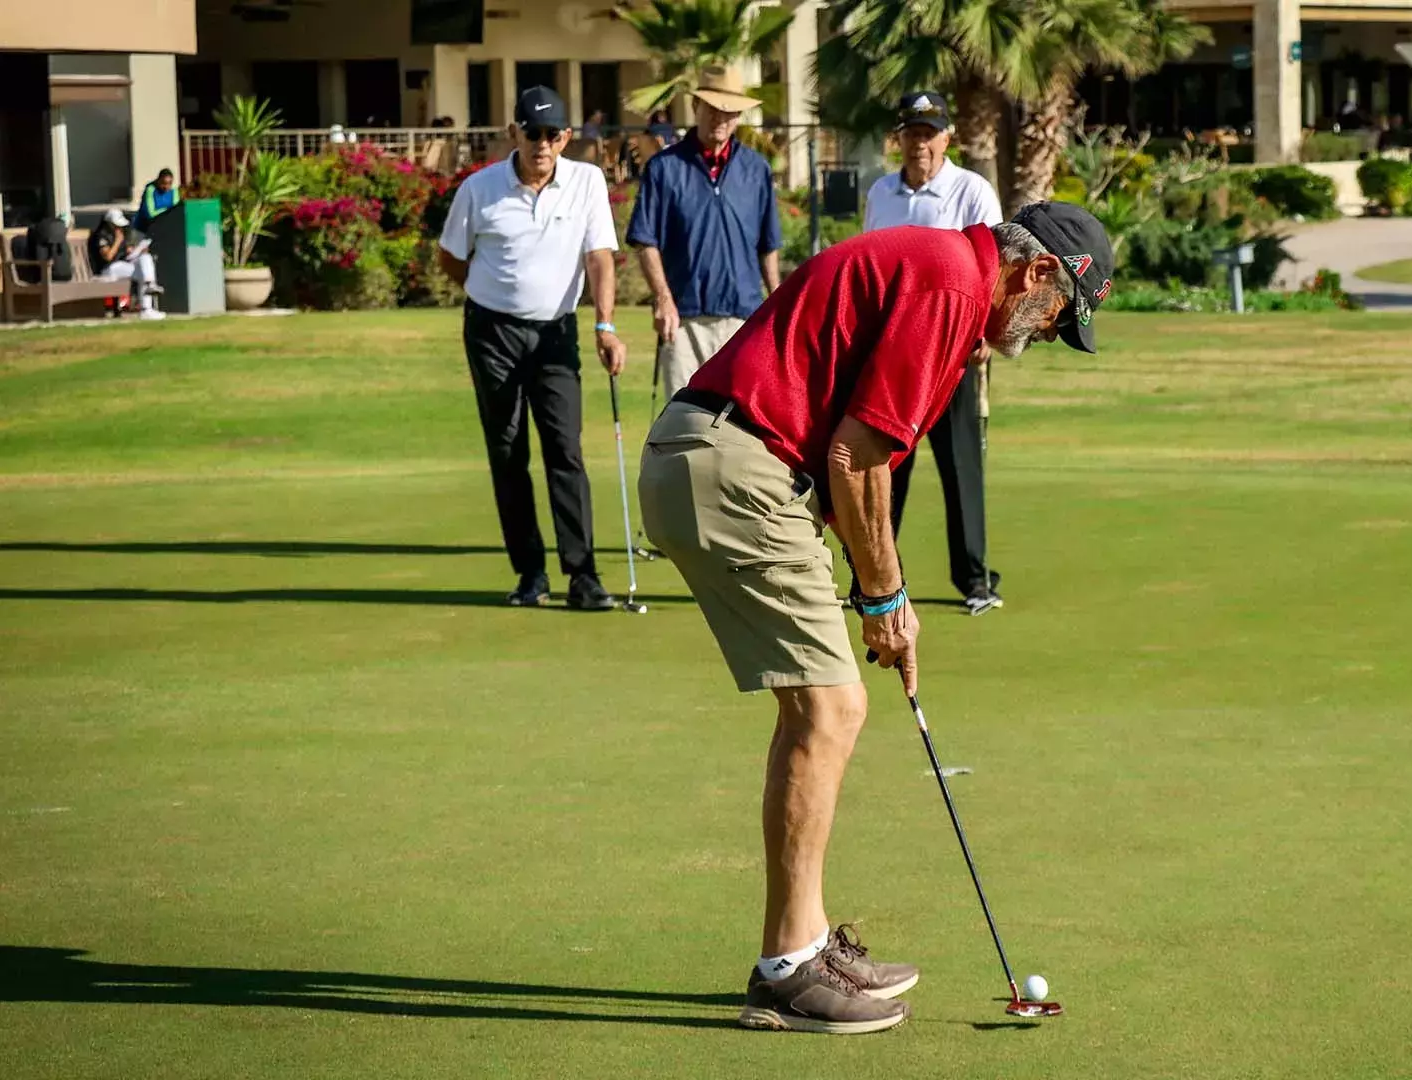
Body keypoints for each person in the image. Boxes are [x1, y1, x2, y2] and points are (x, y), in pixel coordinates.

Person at [636, 202, 1113, 1035]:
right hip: (738, 463)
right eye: (1058, 318)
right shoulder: (951, 287)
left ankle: (803, 944)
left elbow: (864, 456)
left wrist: (875, 586)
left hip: (722, 459)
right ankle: (788, 968)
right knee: (833, 706)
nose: (1044, 336)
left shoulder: (941, 274)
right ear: (1040, 273)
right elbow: (855, 455)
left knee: (814, 707)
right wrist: (888, 599)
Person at [436, 86, 627, 610]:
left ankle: (582, 575)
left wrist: (605, 326)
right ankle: (530, 573)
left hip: (555, 333)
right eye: (532, 133)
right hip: (492, 333)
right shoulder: (480, 188)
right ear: (512, 132)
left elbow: (600, 259)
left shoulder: (586, 181)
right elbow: (451, 257)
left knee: (565, 449)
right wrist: (493, 290)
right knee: (508, 450)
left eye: (552, 134)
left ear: (565, 137)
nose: (542, 144)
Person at [861, 90, 1006, 614]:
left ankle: (976, 580)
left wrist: (985, 332)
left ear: (947, 138)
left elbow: (993, 264)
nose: (920, 143)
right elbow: (870, 268)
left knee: (960, 465)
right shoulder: (881, 193)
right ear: (898, 139)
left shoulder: (970, 190)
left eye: (929, 133)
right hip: (893, 354)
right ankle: (876, 578)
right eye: (911, 133)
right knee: (885, 467)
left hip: (953, 351)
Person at [625, 66, 781, 400]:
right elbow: (645, 239)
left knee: (742, 426)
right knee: (683, 424)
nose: (720, 118)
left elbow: (768, 246)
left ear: (739, 115)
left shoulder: (756, 169)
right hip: (683, 319)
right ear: (696, 106)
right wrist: (663, 299)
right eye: (712, 109)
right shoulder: (664, 167)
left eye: (729, 111)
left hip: (744, 317)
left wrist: (778, 304)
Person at [89, 208, 163, 319]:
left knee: (145, 258)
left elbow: (124, 252)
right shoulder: (101, 236)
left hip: (121, 266)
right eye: (116, 225)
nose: (119, 228)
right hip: (108, 270)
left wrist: (135, 250)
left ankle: (148, 301)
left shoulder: (119, 234)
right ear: (109, 224)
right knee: (142, 273)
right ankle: (146, 306)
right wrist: (118, 241)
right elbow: (108, 257)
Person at [132, 169, 178, 233]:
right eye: (164, 183)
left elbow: (176, 210)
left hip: (163, 228)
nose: (166, 186)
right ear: (158, 180)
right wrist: (167, 210)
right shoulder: (151, 190)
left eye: (170, 183)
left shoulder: (174, 191)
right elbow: (151, 214)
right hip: (143, 229)